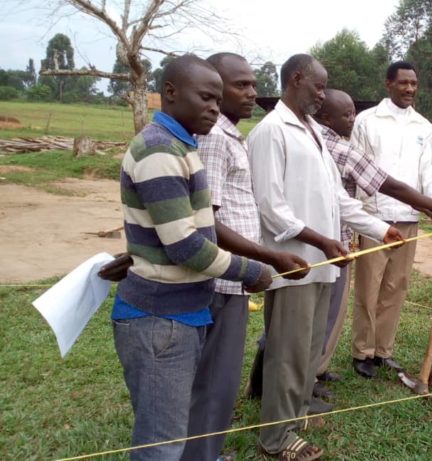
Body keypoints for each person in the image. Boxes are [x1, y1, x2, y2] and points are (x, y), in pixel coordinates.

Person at [111, 54, 271, 461]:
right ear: (170, 93)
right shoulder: (159, 151)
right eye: (205, 97)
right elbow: (186, 246)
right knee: (161, 443)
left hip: (180, 312)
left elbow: (180, 229)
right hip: (160, 319)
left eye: (218, 99)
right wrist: (250, 270)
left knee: (170, 427)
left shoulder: (182, 145)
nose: (215, 108)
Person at [247, 54, 402, 460]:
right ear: (296, 79)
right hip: (294, 262)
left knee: (308, 350)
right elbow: (271, 206)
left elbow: (337, 199)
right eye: (318, 86)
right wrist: (322, 241)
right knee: (288, 352)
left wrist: (378, 228)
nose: (322, 94)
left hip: (321, 263)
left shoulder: (313, 131)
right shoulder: (270, 131)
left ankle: (293, 419)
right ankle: (275, 439)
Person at [179, 53, 309, 461]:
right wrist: (265, 257)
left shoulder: (229, 134)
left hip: (232, 277)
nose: (252, 93)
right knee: (215, 377)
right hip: (221, 278)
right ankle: (202, 455)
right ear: (215, 90)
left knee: (217, 375)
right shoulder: (215, 138)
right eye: (241, 85)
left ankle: (204, 450)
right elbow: (208, 223)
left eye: (253, 84)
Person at [349, 61, 432, 377]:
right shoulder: (367, 121)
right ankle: (362, 352)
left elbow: (429, 172)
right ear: (388, 84)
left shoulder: (424, 127)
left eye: (414, 84)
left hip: (407, 218)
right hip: (373, 217)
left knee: (397, 287)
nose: (409, 89)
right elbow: (354, 169)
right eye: (403, 83)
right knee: (369, 287)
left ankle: (383, 350)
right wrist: (353, 218)